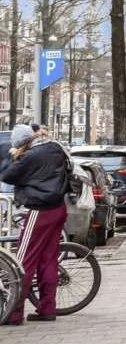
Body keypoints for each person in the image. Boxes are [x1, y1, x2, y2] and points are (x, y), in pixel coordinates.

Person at [0, 123, 71, 325]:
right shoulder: (54, 147)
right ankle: (47, 308)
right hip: (58, 208)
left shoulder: (29, 157)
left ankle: (14, 313)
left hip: (39, 211)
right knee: (48, 260)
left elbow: (7, 175)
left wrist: (12, 156)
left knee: (23, 262)